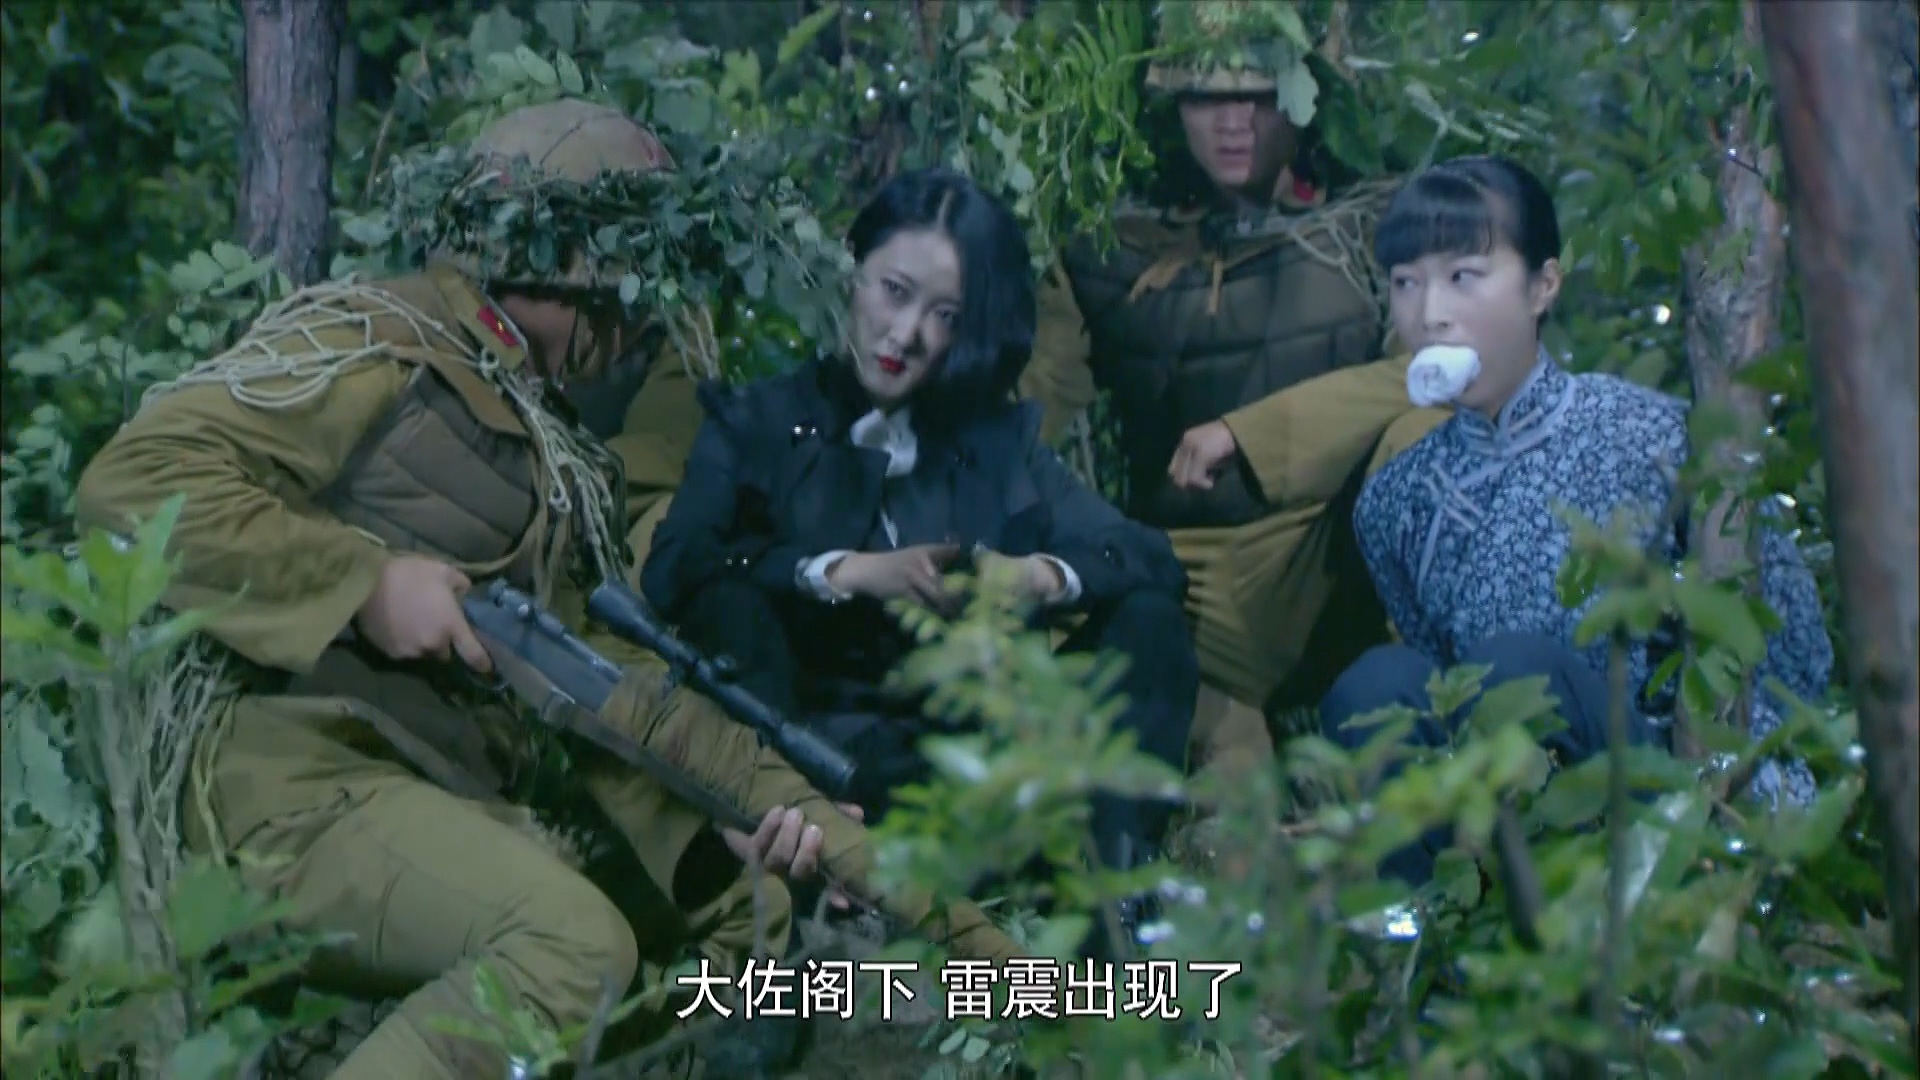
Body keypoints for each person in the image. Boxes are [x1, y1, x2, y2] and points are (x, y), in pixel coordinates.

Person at [74, 99, 1017, 1079]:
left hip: (426, 792)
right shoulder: (379, 340)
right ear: (572, 269)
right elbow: (132, 482)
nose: (634, 322)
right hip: (291, 787)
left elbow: (606, 690)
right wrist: (363, 583)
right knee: (571, 945)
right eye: (622, 286)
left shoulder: (540, 435)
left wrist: (760, 812)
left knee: (741, 913)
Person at [639, 167, 1199, 945]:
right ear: (852, 271)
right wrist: (841, 573)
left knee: (1149, 622)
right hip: (827, 771)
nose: (906, 334)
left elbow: (1147, 556)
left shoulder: (992, 441)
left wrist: (1037, 576)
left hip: (983, 768)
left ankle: (1116, 909)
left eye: (945, 315)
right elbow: (675, 566)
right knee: (727, 605)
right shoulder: (760, 420)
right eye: (895, 292)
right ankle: (808, 902)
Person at [1320, 155, 1834, 887]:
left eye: (1463, 276)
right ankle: (1439, 919)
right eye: (1407, 282)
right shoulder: (1394, 499)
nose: (1430, 312)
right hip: (1493, 805)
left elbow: (1794, 651)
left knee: (1516, 671)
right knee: (1371, 689)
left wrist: (1737, 783)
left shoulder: (1655, 439)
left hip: (1660, 787)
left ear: (1544, 286)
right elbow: (1438, 669)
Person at [1017, 0, 1447, 784]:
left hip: (1327, 573)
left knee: (1418, 435)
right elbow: (1026, 420)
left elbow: (1436, 375)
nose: (1233, 122)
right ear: (1172, 104)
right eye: (1208, 98)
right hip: (1183, 591)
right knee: (1226, 811)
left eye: (1256, 96)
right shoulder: (1111, 248)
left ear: (1300, 95)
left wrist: (1249, 435)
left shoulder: (1370, 229)